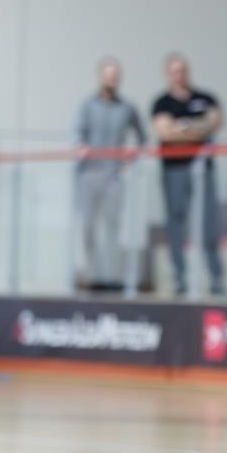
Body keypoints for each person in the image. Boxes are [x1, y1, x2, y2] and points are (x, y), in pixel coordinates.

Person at [151, 54, 226, 297]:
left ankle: (216, 280)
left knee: (208, 223)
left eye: (182, 70)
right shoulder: (162, 103)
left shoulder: (205, 98)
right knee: (176, 223)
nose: (179, 75)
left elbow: (215, 122)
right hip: (174, 170)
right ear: (167, 74)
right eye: (174, 71)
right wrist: (198, 129)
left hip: (203, 169)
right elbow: (165, 133)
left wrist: (182, 128)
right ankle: (180, 279)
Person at [73, 57, 144, 290]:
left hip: (113, 175)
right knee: (88, 228)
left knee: (112, 228)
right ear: (100, 77)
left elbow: (141, 137)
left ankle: (111, 277)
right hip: (89, 175)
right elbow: (76, 135)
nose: (111, 80)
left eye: (115, 76)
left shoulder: (127, 107)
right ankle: (93, 276)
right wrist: (81, 147)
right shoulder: (87, 105)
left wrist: (132, 153)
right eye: (108, 75)